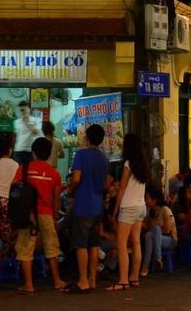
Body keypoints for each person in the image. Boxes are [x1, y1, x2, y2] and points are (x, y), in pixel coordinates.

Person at [15, 136, 65, 293]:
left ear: (33, 152)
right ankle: (57, 281)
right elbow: (56, 199)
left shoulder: (23, 168)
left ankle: (29, 284)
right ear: (50, 153)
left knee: (25, 247)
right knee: (51, 246)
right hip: (46, 213)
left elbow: (14, 189)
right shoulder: (55, 173)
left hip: (27, 214)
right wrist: (55, 218)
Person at [65, 123, 110, 294]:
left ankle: (83, 280)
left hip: (83, 204)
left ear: (87, 137)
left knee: (81, 244)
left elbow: (76, 179)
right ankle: (92, 279)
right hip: (97, 205)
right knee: (94, 244)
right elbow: (106, 182)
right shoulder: (104, 158)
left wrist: (70, 190)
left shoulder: (81, 155)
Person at [108, 133, 150, 291]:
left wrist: (115, 210)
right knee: (136, 241)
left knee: (122, 245)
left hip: (129, 207)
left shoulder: (128, 164)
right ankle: (134, 277)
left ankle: (123, 280)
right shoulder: (144, 164)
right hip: (140, 207)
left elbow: (121, 189)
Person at [140, 185, 177, 275]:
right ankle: (155, 260)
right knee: (149, 235)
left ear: (154, 200)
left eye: (147, 198)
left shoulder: (165, 210)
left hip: (170, 240)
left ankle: (148, 264)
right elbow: (147, 228)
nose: (145, 200)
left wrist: (155, 230)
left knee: (155, 230)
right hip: (155, 239)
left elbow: (167, 230)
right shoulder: (149, 212)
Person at [13, 102, 42, 168]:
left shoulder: (36, 120)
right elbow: (17, 137)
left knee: (30, 171)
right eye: (20, 110)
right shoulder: (16, 122)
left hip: (31, 151)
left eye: (24, 110)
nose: (22, 112)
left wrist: (27, 122)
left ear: (29, 109)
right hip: (19, 151)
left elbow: (36, 132)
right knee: (19, 172)